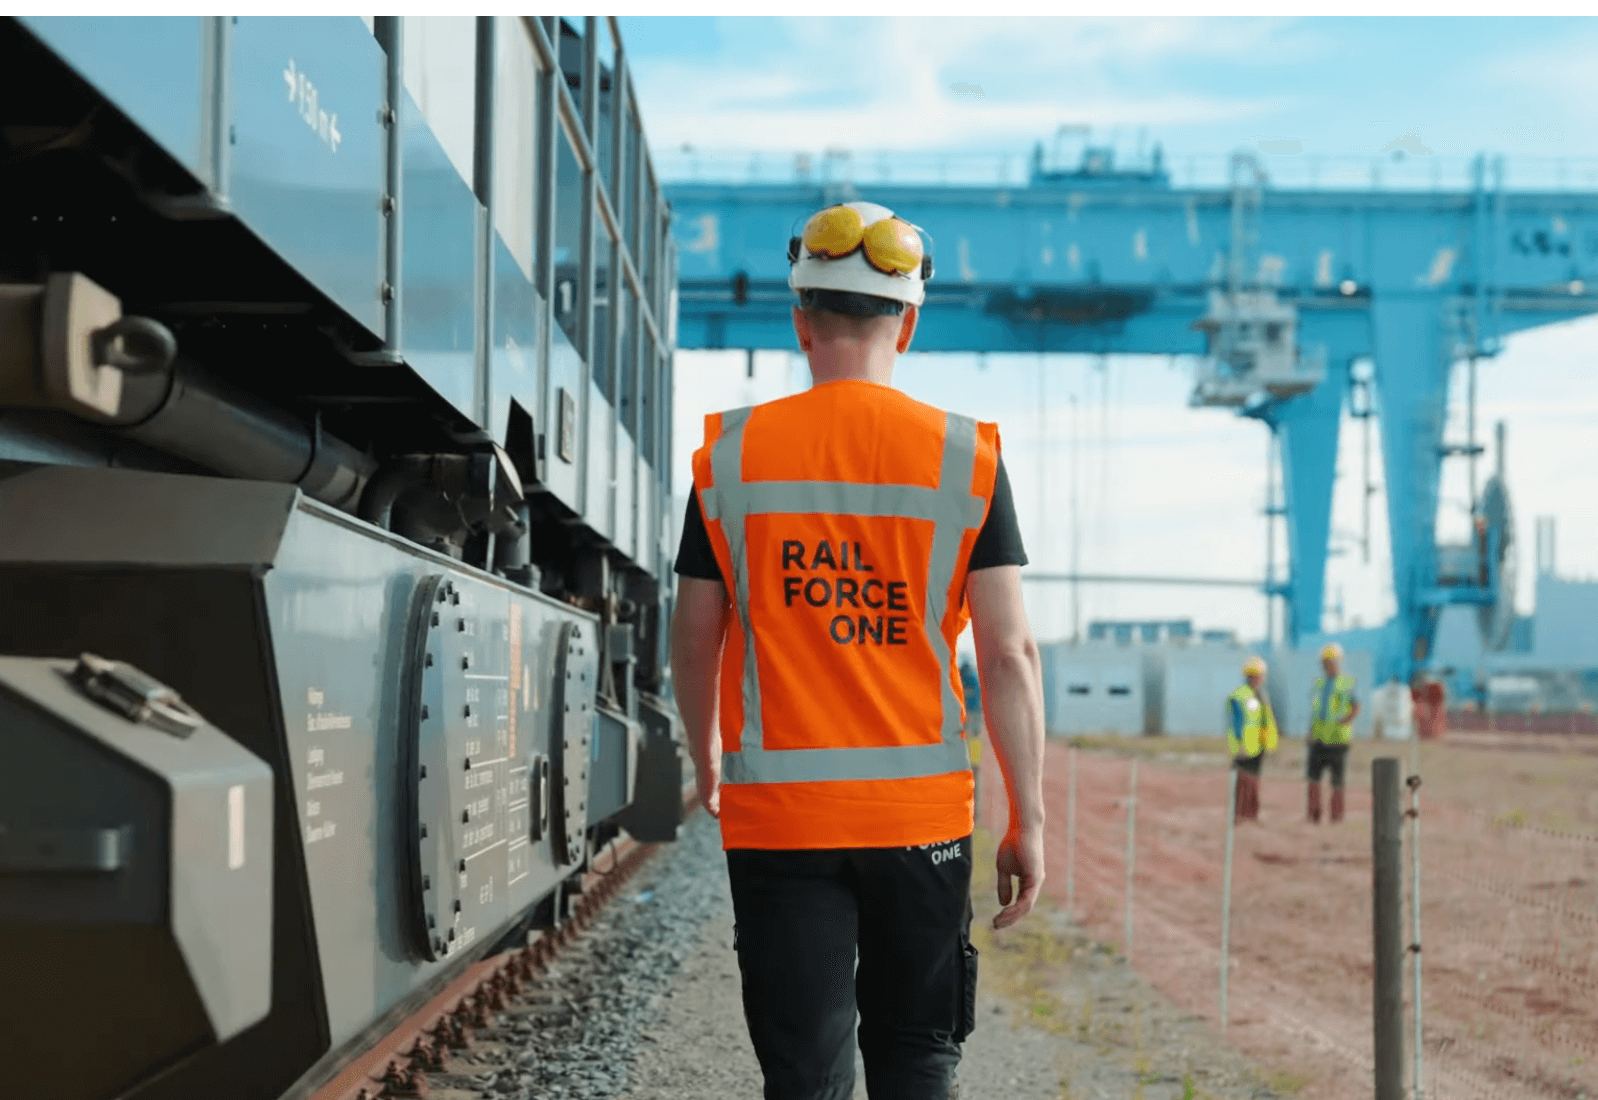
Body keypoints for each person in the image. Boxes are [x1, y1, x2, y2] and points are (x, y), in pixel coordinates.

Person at [669, 200, 1047, 1100]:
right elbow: (1009, 656)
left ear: (800, 321)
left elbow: (692, 631)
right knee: (918, 1057)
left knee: (804, 1076)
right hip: (920, 821)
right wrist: (1027, 817)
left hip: (780, 820)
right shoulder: (967, 459)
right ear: (907, 325)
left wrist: (706, 756)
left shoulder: (730, 460)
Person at [1306, 642, 1359, 823]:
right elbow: (1316, 711)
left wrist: (1345, 720)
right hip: (1319, 739)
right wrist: (1310, 732)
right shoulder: (1319, 683)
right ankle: (1313, 815)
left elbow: (1356, 706)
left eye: (1330, 662)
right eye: (1324, 662)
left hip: (1338, 740)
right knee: (1313, 778)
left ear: (1338, 662)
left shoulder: (1346, 683)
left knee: (1337, 781)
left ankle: (1336, 817)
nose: (1326, 665)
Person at [1227, 655, 1278, 822]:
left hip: (1258, 745)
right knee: (1244, 780)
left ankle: (1251, 814)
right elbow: (1237, 720)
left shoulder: (1261, 695)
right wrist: (1239, 741)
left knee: (1254, 780)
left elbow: (1266, 721)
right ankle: (1239, 815)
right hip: (1244, 746)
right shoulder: (1242, 695)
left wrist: (1269, 743)